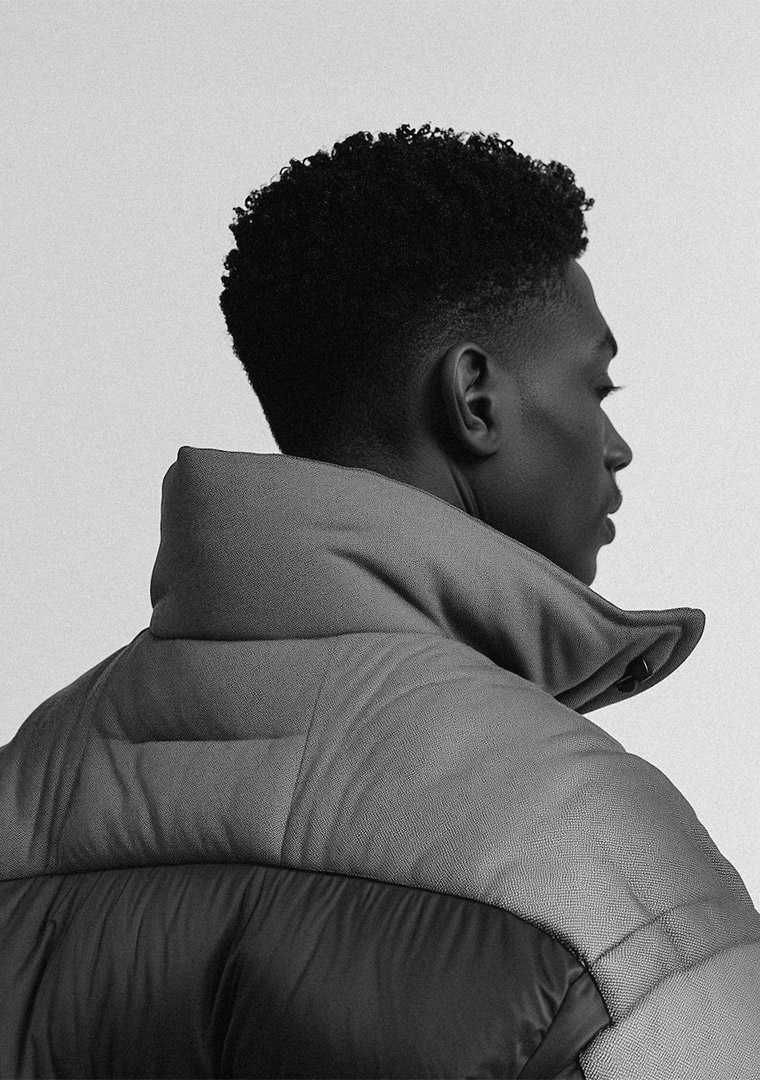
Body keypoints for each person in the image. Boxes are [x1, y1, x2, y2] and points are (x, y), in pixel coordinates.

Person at [1, 123, 758, 1079]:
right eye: (597, 386)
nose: (616, 446)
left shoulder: (26, 788)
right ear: (473, 398)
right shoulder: (593, 849)